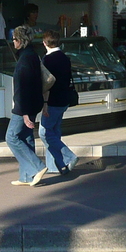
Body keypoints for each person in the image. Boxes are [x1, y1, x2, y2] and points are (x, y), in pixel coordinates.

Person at [6, 25, 50, 187]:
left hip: (24, 105)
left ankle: (37, 166)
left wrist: (24, 112)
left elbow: (22, 87)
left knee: (11, 137)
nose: (13, 42)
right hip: (34, 102)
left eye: (15, 39)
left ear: (20, 41)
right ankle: (26, 176)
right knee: (25, 136)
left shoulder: (24, 59)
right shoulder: (33, 55)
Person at [39, 29, 79, 175]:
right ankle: (55, 165)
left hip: (52, 101)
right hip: (65, 99)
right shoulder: (65, 58)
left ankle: (69, 157)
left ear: (44, 43)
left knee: (44, 132)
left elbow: (47, 83)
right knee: (55, 131)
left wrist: (44, 103)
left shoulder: (47, 60)